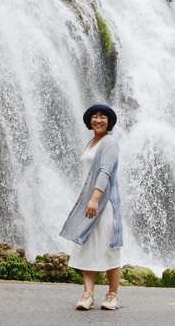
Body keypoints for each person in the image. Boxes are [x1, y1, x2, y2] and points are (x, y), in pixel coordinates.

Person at [59, 103, 123, 311]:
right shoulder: (92, 143)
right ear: (89, 121)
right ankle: (88, 295)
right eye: (94, 116)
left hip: (103, 204)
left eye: (103, 117)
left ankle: (113, 295)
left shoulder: (109, 142)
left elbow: (105, 172)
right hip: (90, 204)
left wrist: (95, 199)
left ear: (109, 122)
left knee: (108, 247)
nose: (98, 119)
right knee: (87, 247)